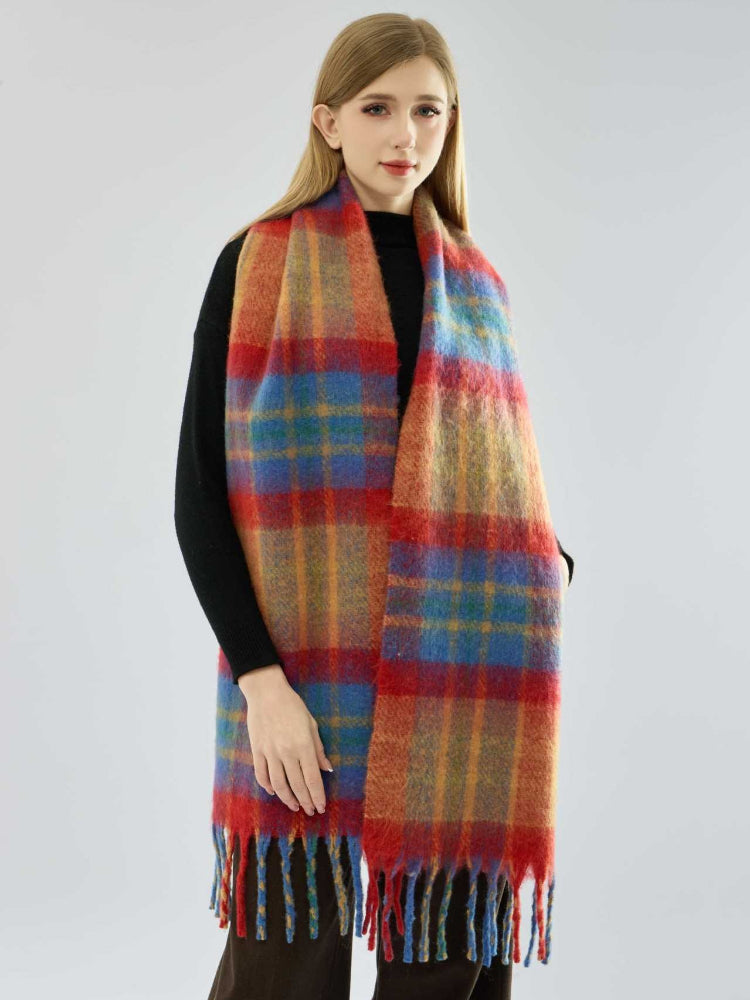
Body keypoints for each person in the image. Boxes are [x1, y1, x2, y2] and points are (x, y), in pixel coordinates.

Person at [175, 13, 573, 1000]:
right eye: (378, 108)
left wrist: (547, 564)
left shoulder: (477, 286)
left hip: (461, 677)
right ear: (329, 122)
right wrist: (262, 685)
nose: (406, 134)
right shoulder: (256, 265)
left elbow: (498, 477)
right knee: (280, 962)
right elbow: (200, 495)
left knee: (445, 956)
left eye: (429, 111)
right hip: (305, 674)